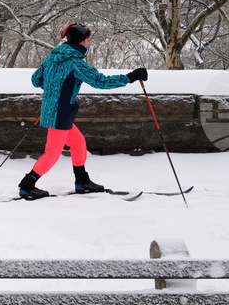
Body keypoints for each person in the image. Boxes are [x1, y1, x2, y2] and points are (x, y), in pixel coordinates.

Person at [17, 22, 148, 200]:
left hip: (56, 112)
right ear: (79, 41)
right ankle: (26, 186)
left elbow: (36, 80)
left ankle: (82, 181)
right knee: (52, 154)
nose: (89, 43)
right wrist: (130, 77)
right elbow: (100, 82)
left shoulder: (51, 58)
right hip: (59, 114)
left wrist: (55, 90)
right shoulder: (75, 63)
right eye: (87, 40)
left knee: (78, 143)